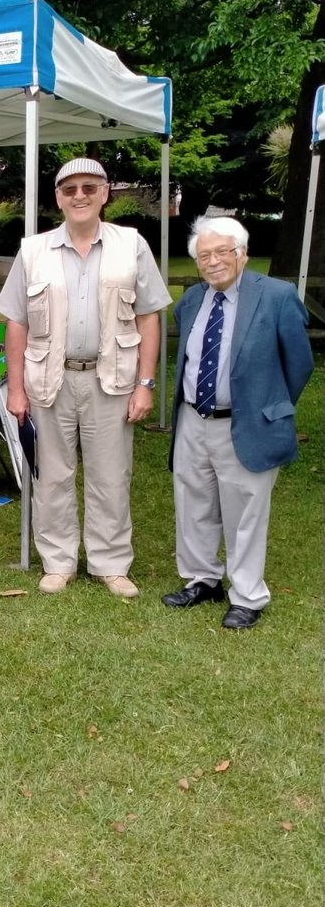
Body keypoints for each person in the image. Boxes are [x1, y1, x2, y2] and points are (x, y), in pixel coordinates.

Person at [0, 157, 172, 597]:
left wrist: (145, 383)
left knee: (111, 475)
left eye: (89, 188)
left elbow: (149, 317)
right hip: (48, 381)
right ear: (57, 198)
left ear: (105, 193)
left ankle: (110, 563)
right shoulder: (33, 250)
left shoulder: (131, 245)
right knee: (50, 475)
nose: (79, 196)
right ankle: (58, 561)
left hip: (111, 380)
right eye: (69, 189)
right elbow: (16, 322)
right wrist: (15, 388)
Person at [162, 216, 313, 629]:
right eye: (204, 255)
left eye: (222, 252)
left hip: (246, 423)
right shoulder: (192, 301)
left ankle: (247, 596)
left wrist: (269, 405)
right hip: (193, 418)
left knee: (245, 511)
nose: (212, 262)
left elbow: (298, 364)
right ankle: (201, 579)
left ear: (242, 254)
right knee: (193, 504)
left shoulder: (277, 296)